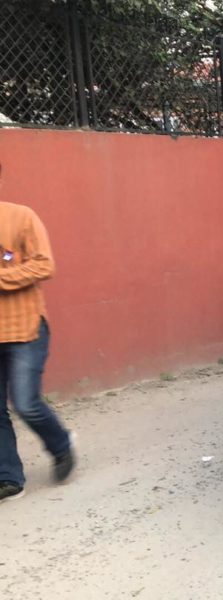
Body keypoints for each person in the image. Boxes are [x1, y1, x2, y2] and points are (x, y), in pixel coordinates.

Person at [0, 163, 75, 503]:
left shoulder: (21, 217)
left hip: (24, 328)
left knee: (26, 403)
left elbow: (45, 264)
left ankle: (61, 445)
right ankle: (9, 478)